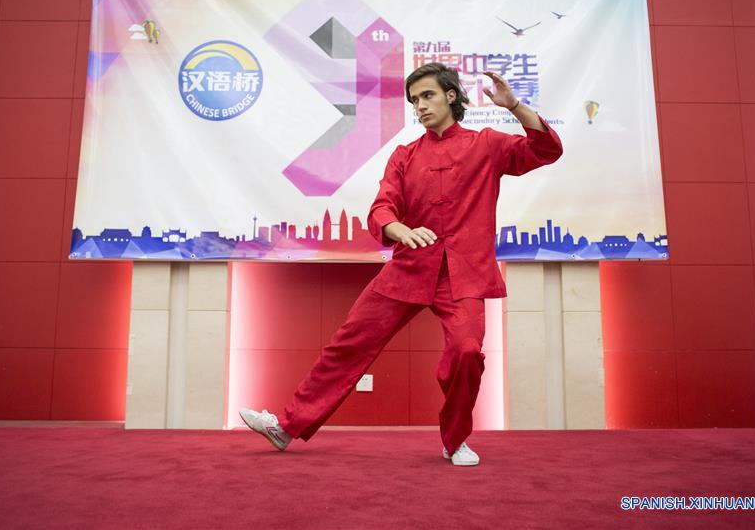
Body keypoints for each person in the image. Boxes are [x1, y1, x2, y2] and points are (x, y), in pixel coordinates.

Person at [240, 62, 563, 466]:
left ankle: (455, 439)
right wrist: (396, 229)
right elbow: (382, 206)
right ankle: (286, 427)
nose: (420, 106)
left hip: (464, 275)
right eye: (414, 100)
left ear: (451, 95)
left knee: (466, 352)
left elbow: (546, 150)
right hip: (407, 270)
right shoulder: (405, 155)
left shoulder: (487, 144)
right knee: (349, 344)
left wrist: (513, 105)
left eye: (428, 95)